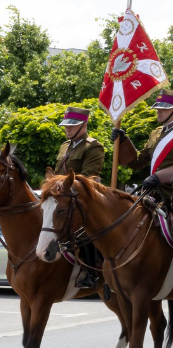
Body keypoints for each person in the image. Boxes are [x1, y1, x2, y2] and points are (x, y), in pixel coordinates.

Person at [55, 106, 107, 288]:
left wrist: (65, 185)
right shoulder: (64, 147)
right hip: (63, 197)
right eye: (66, 126)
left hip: (83, 198)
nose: (67, 129)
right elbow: (56, 173)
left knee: (84, 231)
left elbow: (90, 176)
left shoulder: (93, 146)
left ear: (83, 126)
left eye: (72, 126)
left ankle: (92, 272)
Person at [117, 91, 173, 205]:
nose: (159, 111)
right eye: (157, 108)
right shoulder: (155, 133)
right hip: (154, 193)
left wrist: (158, 177)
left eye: (164, 108)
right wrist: (123, 141)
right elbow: (137, 163)